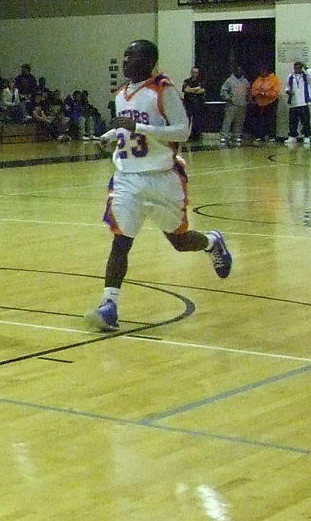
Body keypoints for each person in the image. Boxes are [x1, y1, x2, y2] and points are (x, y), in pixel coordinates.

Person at [87, 40, 232, 331]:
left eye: (131, 56)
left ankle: (212, 242)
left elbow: (182, 131)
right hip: (127, 177)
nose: (125, 61)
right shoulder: (121, 94)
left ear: (149, 61)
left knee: (180, 242)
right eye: (124, 55)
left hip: (162, 177)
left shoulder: (163, 89)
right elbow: (125, 129)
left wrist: (138, 128)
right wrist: (109, 136)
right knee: (120, 242)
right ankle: (108, 306)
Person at [249, 65, 281, 144]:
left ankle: (271, 136)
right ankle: (260, 136)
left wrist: (265, 93)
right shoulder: (258, 80)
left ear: (268, 71)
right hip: (259, 103)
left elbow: (275, 92)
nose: (262, 73)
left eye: (263, 71)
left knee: (270, 119)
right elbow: (253, 90)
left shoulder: (274, 80)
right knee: (259, 120)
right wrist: (258, 92)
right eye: (261, 71)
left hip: (270, 103)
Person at [219, 65, 249, 146]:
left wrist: (248, 100)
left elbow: (248, 91)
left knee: (239, 121)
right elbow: (223, 90)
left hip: (242, 104)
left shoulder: (245, 81)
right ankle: (224, 136)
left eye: (240, 70)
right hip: (231, 104)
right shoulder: (229, 80)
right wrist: (228, 98)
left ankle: (236, 135)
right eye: (237, 70)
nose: (239, 72)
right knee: (228, 121)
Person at [285, 60, 310, 146]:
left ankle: (307, 136)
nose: (297, 69)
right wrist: (288, 91)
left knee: (305, 121)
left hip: (303, 102)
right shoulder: (290, 76)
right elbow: (287, 87)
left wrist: (306, 67)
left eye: (299, 67)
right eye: (295, 67)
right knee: (293, 121)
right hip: (293, 102)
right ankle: (293, 136)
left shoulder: (305, 76)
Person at [180, 66, 206, 144]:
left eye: (196, 72)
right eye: (193, 72)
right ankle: (186, 135)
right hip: (188, 103)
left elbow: (202, 90)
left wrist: (191, 90)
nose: (195, 74)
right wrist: (195, 89)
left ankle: (196, 135)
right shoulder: (187, 81)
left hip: (198, 103)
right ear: (191, 72)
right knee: (187, 120)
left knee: (197, 120)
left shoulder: (201, 81)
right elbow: (185, 90)